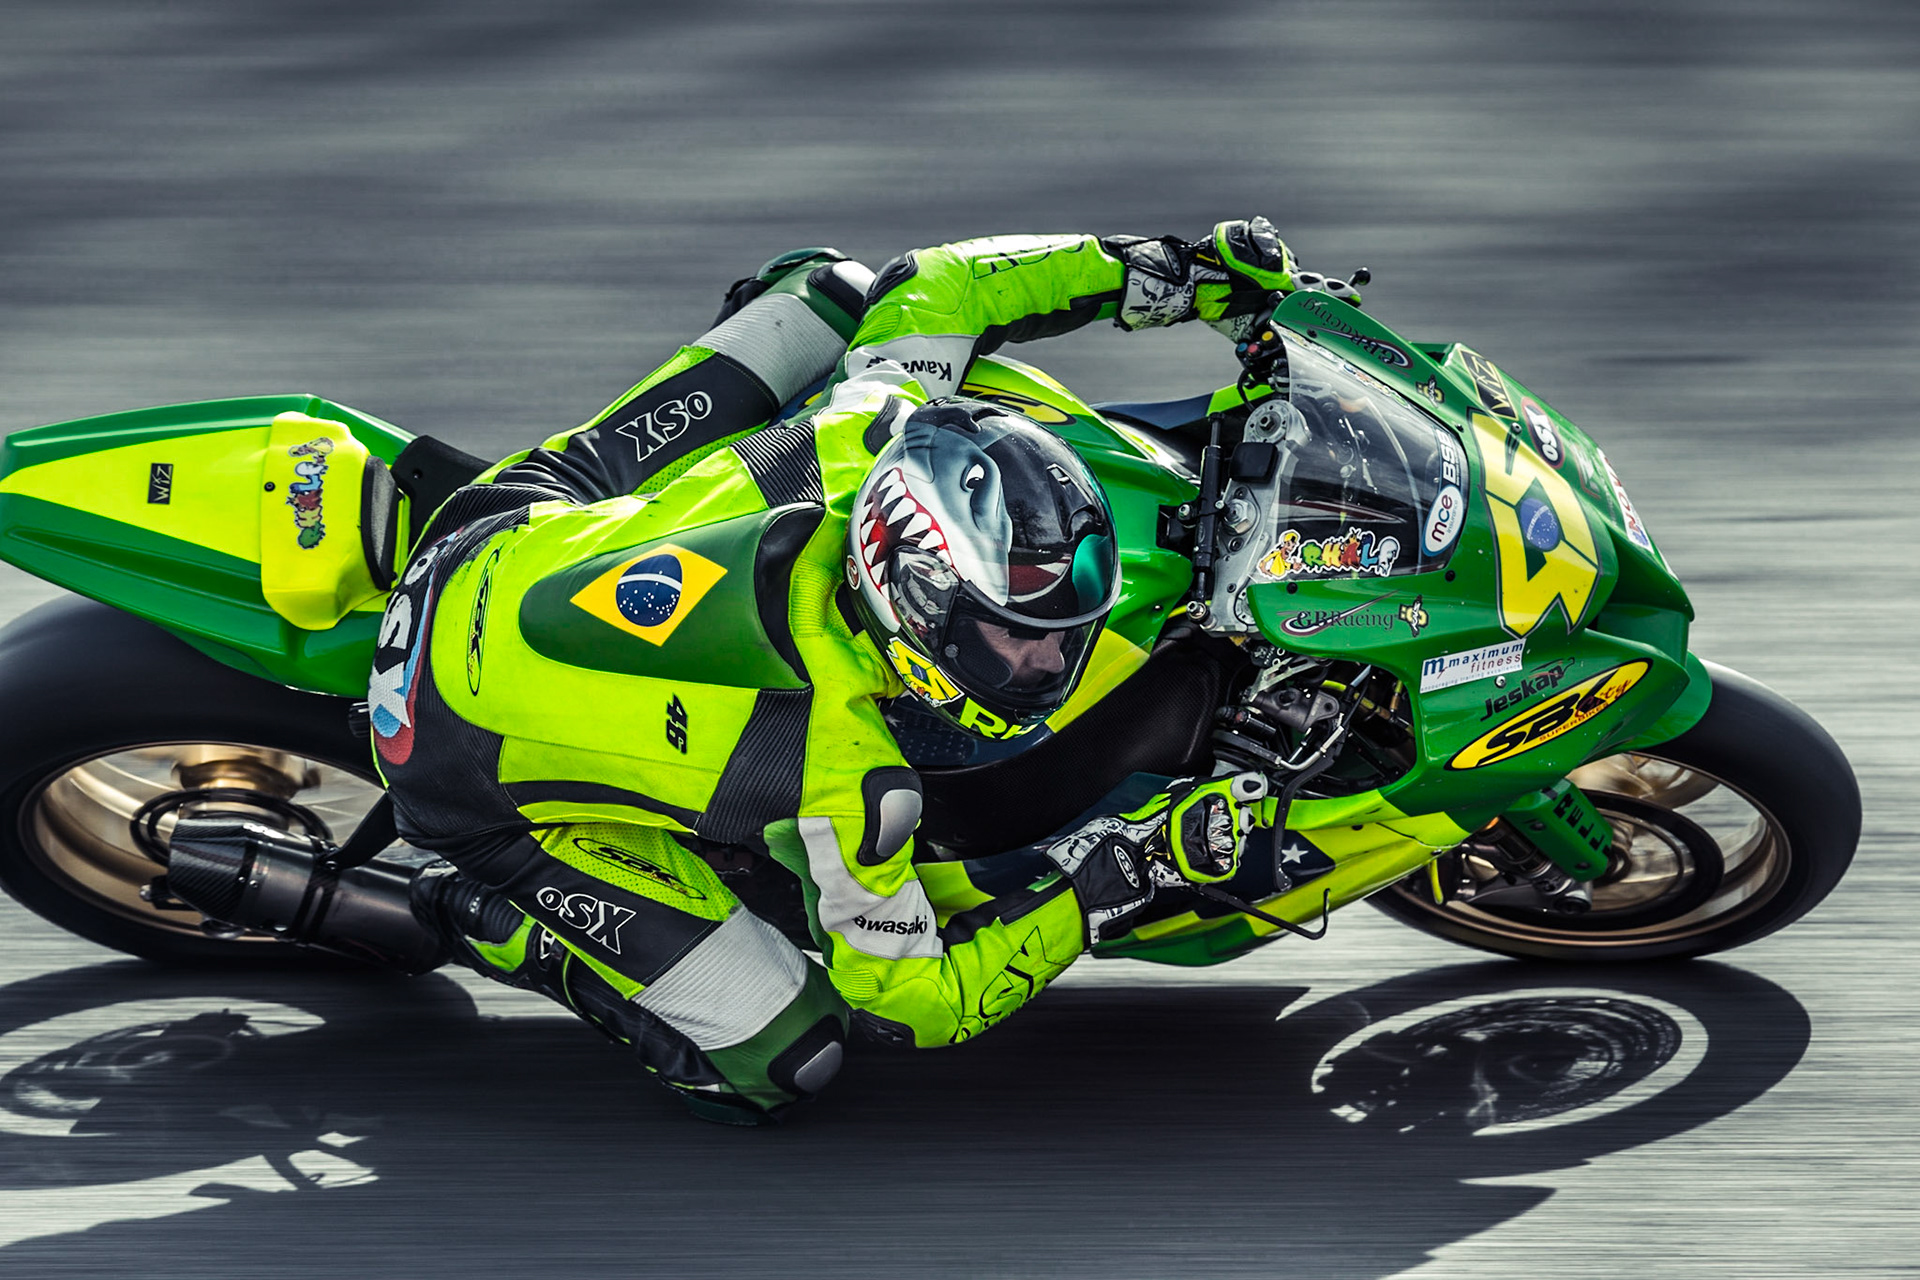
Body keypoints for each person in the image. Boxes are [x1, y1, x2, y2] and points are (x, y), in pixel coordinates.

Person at [371, 218, 1338, 1124]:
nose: (1052, 660)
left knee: (836, 290)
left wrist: (1161, 269)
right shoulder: (845, 776)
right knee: (789, 1057)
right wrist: (1116, 877)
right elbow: (918, 1002)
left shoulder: (863, 429)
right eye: (1017, 639)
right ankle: (480, 912)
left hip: (497, 526)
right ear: (916, 603)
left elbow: (940, 287)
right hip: (451, 765)